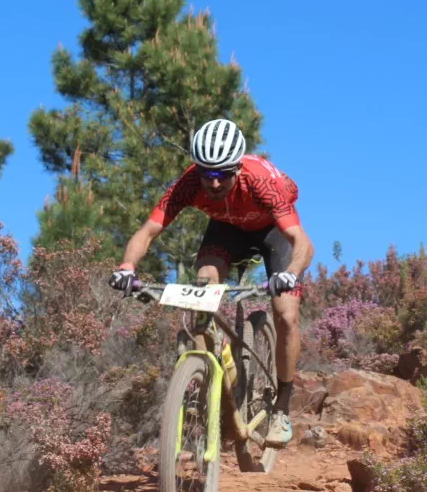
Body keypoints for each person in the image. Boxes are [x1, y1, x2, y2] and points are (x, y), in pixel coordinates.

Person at [109, 118, 314, 447]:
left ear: (237, 169)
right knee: (202, 289)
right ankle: (201, 375)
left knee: (286, 314)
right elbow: (147, 231)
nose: (213, 183)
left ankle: (282, 407)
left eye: (221, 175)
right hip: (226, 231)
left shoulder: (262, 182)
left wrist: (289, 273)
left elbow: (303, 244)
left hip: (272, 234)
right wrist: (126, 267)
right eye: (206, 173)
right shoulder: (189, 184)